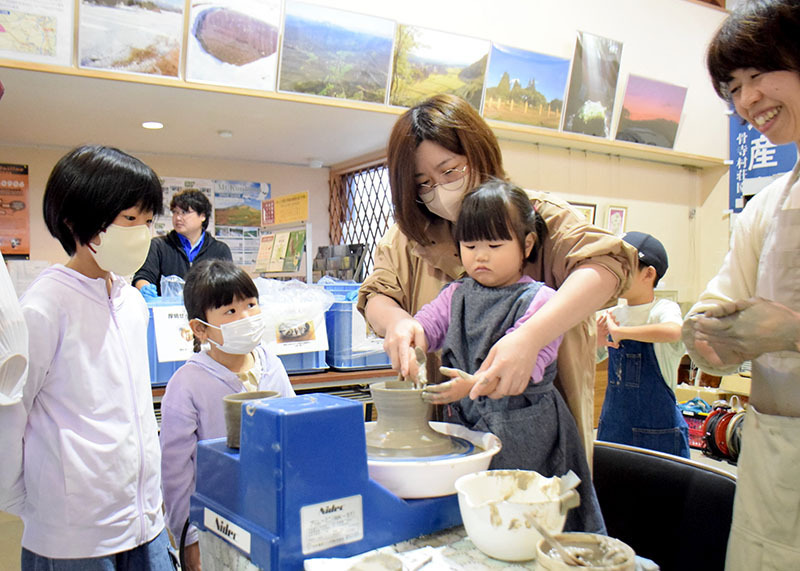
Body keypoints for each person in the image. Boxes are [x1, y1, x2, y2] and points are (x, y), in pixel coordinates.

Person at [357, 93, 636, 462]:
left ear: (479, 154)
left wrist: (530, 337)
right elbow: (378, 292)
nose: (438, 189)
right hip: (450, 428)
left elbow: (607, 265)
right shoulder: (413, 235)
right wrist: (397, 323)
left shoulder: (536, 215)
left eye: (449, 171)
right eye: (423, 183)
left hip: (540, 432)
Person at [0, 145, 173, 569]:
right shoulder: (45, 305)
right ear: (77, 220)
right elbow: (10, 414)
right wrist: (36, 504)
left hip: (144, 519)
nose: (141, 232)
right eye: (128, 219)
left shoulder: (132, 303)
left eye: (147, 220)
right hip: (74, 534)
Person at [407, 180, 604, 533]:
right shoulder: (455, 294)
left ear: (527, 244)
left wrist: (472, 386)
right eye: (469, 245)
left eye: (495, 245)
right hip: (472, 423)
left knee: (530, 519)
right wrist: (409, 337)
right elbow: (426, 326)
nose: (480, 256)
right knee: (479, 513)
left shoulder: (541, 301)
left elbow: (517, 371)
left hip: (528, 430)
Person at [681, 1, 800, 567]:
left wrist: (793, 332)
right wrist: (705, 334)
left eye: (758, 76)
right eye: (733, 86)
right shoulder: (769, 206)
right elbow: (717, 308)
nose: (745, 100)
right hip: (777, 463)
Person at [159, 259, 295, 571]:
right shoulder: (187, 384)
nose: (245, 316)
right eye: (230, 311)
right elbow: (176, 474)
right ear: (200, 328)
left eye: (250, 304)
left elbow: (293, 430)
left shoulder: (271, 365)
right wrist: (188, 539)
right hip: (218, 525)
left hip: (274, 517)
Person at [596, 231, 689, 458]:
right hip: (614, 430)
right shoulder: (611, 314)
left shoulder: (663, 310)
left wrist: (622, 333)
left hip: (659, 432)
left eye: (625, 267)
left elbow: (675, 331)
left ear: (648, 274)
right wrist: (596, 341)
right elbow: (589, 359)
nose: (617, 273)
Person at [134, 188, 232, 296]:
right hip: (168, 311)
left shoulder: (220, 250)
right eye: (175, 212)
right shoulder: (159, 246)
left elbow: (229, 286)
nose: (178, 218)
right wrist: (144, 288)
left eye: (184, 212)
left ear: (202, 216)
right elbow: (143, 277)